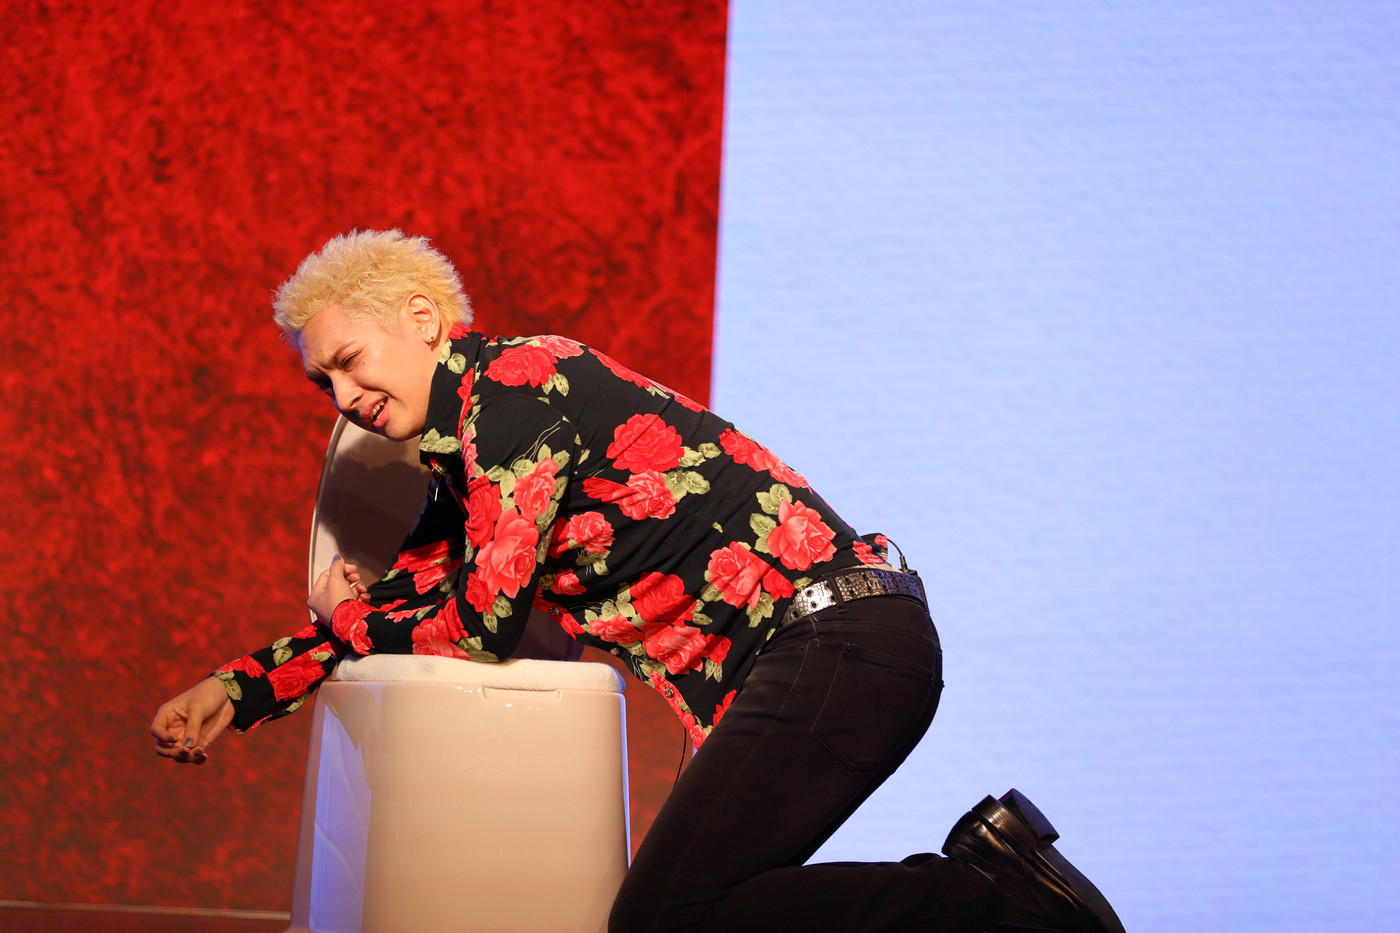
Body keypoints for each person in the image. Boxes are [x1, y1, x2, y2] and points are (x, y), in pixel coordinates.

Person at [151, 230, 1124, 933]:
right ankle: (990, 891)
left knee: (667, 918)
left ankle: (988, 895)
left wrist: (347, 612)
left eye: (348, 362)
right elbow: (406, 609)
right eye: (321, 383)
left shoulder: (518, 388)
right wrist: (236, 689)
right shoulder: (470, 466)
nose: (342, 396)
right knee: (695, 915)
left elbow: (480, 624)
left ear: (421, 318)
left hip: (838, 643)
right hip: (830, 652)